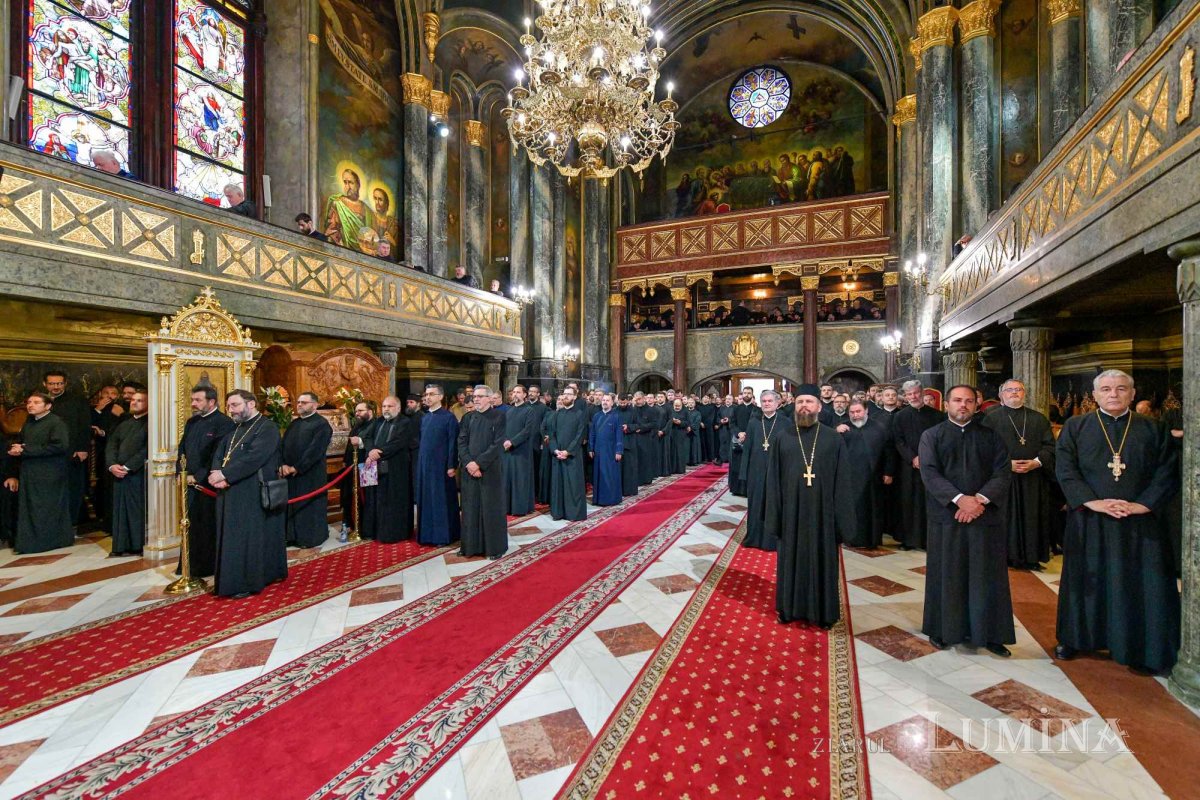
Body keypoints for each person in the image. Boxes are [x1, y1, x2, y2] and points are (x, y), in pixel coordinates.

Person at [1054, 370, 1180, 673]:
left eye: (1121, 389)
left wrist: (1142, 505)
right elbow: (1066, 468)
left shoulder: (1153, 428)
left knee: (1141, 581)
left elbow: (1167, 471)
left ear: (1132, 394)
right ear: (1095, 395)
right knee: (1086, 579)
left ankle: (1142, 646)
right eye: (1107, 389)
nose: (1114, 394)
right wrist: (1092, 501)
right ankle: (1077, 638)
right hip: (1090, 519)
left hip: (1139, 522)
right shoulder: (1076, 426)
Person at [919, 386, 1015, 656]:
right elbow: (929, 473)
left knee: (988, 576)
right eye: (958, 400)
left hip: (985, 518)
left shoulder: (991, 436)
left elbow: (1002, 472)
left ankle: (991, 633)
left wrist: (980, 500)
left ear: (977, 405)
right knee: (948, 574)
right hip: (947, 517)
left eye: (969, 401)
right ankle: (944, 630)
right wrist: (960, 499)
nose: (963, 405)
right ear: (946, 404)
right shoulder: (932, 436)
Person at [764, 385, 856, 627]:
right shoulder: (782, 437)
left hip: (823, 515)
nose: (804, 405)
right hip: (791, 514)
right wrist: (775, 516)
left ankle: (824, 614)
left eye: (809, 402)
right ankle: (788, 609)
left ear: (819, 406)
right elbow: (773, 479)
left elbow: (843, 481)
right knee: (789, 561)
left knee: (823, 561)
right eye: (800, 401)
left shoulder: (832, 438)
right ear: (794, 406)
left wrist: (842, 520)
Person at [207, 390, 286, 598]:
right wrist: (216, 473)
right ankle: (230, 579)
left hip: (250, 491)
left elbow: (255, 458)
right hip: (229, 490)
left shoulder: (267, 428)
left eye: (235, 405)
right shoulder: (235, 430)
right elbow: (220, 453)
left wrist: (226, 474)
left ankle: (246, 582)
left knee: (246, 538)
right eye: (229, 406)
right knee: (231, 537)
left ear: (251, 404)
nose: (230, 410)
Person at [982, 379, 1058, 570]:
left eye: (1019, 390)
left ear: (1025, 394)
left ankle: (1032, 558)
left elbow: (1050, 446)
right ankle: (1004, 557)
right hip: (1002, 478)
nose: (1014, 393)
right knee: (1006, 518)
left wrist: (1037, 462)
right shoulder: (989, 418)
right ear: (1001, 394)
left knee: (1033, 517)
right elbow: (983, 448)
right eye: (1010, 390)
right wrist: (1008, 465)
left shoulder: (1038, 419)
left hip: (1033, 478)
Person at [177, 384, 235, 576]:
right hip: (188, 482)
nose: (193, 403)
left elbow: (216, 455)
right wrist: (181, 473)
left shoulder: (224, 423)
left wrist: (198, 476)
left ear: (211, 401)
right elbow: (182, 449)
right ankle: (189, 566)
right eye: (192, 399)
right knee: (190, 524)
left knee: (206, 525)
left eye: (198, 400)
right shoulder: (192, 422)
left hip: (209, 483)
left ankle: (207, 567)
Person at [7, 392, 73, 554]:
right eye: (29, 402)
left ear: (48, 406)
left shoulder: (56, 422)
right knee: (31, 507)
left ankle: (49, 542)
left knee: (46, 508)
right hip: (30, 472)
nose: (30, 405)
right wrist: (17, 449)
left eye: (36, 402)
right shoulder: (29, 422)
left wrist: (25, 449)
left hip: (49, 473)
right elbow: (23, 443)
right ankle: (32, 542)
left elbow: (60, 446)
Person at [893, 380, 945, 550]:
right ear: (905, 397)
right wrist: (912, 458)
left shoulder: (937, 416)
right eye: (909, 394)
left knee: (927, 502)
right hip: (908, 468)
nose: (913, 396)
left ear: (922, 393)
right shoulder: (900, 416)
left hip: (931, 466)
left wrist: (926, 457)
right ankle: (908, 540)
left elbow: (941, 441)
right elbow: (898, 440)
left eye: (915, 393)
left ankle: (928, 540)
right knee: (908, 503)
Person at [458, 385, 507, 558]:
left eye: (479, 396)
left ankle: (494, 548)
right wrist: (469, 463)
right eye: (474, 396)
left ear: (489, 398)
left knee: (490, 509)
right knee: (470, 508)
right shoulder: (467, 418)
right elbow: (461, 442)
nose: (475, 399)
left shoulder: (499, 417)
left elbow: (497, 444)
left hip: (490, 470)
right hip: (469, 470)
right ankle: (469, 547)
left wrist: (479, 464)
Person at [839, 399, 895, 548]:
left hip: (874, 478)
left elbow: (889, 451)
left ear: (866, 411)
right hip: (850, 479)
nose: (855, 415)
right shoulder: (843, 428)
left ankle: (872, 540)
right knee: (853, 509)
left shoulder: (879, 428)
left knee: (873, 509)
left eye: (858, 411)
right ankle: (852, 539)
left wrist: (888, 472)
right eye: (852, 412)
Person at [280, 392, 333, 548]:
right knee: (292, 506)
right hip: (289, 474)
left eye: (304, 402)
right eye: (298, 402)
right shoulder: (294, 423)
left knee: (309, 506)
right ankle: (291, 536)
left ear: (315, 405)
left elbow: (315, 451)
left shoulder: (322, 425)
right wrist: (282, 464)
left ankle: (310, 538)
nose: (300, 405)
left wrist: (297, 467)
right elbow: (282, 446)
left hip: (310, 475)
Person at [43, 371, 90, 527]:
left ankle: (71, 524)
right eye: (52, 383)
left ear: (65, 383)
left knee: (72, 489)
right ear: (45, 384)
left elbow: (84, 425)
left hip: (72, 452)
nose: (55, 387)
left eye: (59, 383)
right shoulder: (40, 401)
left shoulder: (77, 400)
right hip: (48, 454)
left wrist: (82, 448)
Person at [365, 396, 415, 543]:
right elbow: (367, 437)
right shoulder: (379, 421)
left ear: (398, 408)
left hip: (396, 469)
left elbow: (399, 442)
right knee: (378, 500)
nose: (386, 409)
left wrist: (379, 452)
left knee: (394, 501)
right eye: (384, 406)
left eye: (390, 406)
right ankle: (377, 532)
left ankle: (395, 534)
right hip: (376, 467)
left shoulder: (405, 422)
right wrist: (371, 451)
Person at [416, 385, 461, 546]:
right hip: (425, 466)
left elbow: (452, 443)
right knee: (427, 499)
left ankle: (444, 536)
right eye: (426, 395)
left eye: (431, 394)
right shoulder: (425, 417)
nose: (427, 397)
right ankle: (427, 535)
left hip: (441, 467)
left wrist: (451, 465)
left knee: (441, 501)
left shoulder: (448, 417)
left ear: (440, 397)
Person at [740, 390, 785, 551]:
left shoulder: (785, 422)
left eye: (769, 401)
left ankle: (772, 540)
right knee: (756, 504)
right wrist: (744, 473)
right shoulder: (753, 422)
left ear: (777, 403)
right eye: (763, 401)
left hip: (777, 471)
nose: (766, 403)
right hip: (756, 471)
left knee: (774, 505)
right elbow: (748, 448)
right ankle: (754, 538)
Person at [106, 389, 148, 557]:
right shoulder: (123, 424)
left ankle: (136, 545)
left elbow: (147, 449)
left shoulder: (150, 424)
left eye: (139, 400)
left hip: (136, 474)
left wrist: (128, 467)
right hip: (118, 473)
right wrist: (112, 465)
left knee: (135, 510)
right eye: (133, 400)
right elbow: (111, 446)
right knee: (120, 510)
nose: (134, 402)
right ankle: (120, 545)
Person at [549, 386, 588, 521]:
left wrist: (568, 451)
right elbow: (551, 435)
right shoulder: (557, 414)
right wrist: (555, 450)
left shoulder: (580, 414)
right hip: (558, 456)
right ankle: (558, 513)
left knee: (573, 486)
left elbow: (580, 435)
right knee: (558, 486)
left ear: (574, 397)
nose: (565, 396)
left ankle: (573, 513)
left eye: (569, 394)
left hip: (573, 457)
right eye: (564, 394)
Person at [503, 385, 539, 516]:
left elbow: (528, 430)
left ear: (524, 395)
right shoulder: (509, 411)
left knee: (520, 480)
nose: (515, 394)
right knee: (508, 479)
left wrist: (512, 442)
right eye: (514, 392)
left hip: (521, 450)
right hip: (507, 451)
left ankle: (520, 508)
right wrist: (504, 440)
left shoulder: (529, 411)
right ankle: (508, 506)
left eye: (518, 392)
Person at [341, 401, 376, 536]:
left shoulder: (376, 425)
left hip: (367, 466)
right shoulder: (357, 425)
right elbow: (349, 445)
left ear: (370, 411)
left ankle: (365, 527)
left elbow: (374, 442)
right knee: (350, 496)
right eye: (356, 411)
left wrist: (361, 442)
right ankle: (351, 524)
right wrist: (345, 461)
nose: (357, 414)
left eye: (360, 411)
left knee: (365, 497)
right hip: (352, 467)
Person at [589, 393, 624, 506]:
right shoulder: (596, 416)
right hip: (598, 451)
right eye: (603, 400)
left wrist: (619, 451)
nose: (605, 402)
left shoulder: (617, 416)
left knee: (610, 475)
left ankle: (611, 499)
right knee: (599, 475)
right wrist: (590, 448)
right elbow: (592, 433)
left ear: (612, 403)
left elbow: (619, 435)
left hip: (611, 451)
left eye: (607, 400)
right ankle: (598, 499)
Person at [728, 386, 756, 495]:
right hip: (738, 441)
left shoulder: (757, 410)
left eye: (749, 393)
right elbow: (732, 423)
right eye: (745, 393)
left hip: (752, 441)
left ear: (752, 395)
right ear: (742, 394)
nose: (747, 395)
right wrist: (739, 433)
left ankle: (748, 490)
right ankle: (736, 489)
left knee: (749, 466)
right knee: (736, 466)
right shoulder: (736, 409)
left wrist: (747, 434)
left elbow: (757, 425)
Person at [616, 394, 641, 497]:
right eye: (620, 403)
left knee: (630, 468)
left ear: (628, 401)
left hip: (630, 442)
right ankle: (619, 490)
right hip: (617, 443)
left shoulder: (633, 411)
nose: (622, 405)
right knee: (619, 468)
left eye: (624, 403)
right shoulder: (614, 410)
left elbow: (638, 425)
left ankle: (630, 490)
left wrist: (628, 427)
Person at [666, 398, 691, 474]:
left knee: (680, 452)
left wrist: (680, 422)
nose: (677, 407)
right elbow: (666, 421)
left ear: (681, 405)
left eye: (678, 406)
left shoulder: (685, 411)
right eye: (675, 405)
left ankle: (680, 469)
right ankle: (672, 469)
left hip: (681, 433)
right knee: (672, 451)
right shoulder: (670, 411)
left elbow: (687, 423)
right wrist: (672, 421)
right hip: (672, 433)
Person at [715, 395, 733, 465]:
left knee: (730, 444)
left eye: (729, 399)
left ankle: (730, 459)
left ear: (732, 400)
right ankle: (722, 459)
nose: (727, 400)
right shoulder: (722, 408)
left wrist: (729, 420)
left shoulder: (735, 408)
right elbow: (717, 418)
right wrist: (721, 421)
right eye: (726, 399)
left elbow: (737, 418)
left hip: (731, 429)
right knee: (722, 444)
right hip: (723, 429)